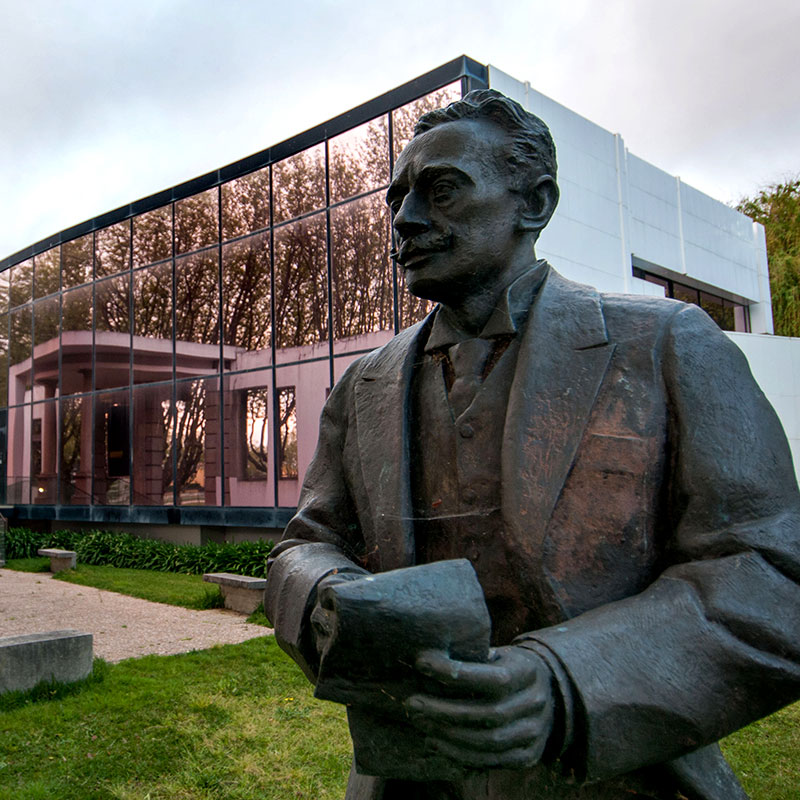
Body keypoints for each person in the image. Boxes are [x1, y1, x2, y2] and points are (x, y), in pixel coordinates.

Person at [264, 89, 800, 800]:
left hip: (620, 779)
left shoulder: (668, 346)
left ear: (534, 204)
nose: (406, 220)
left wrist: (567, 682)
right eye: (397, 200)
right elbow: (304, 543)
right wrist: (324, 597)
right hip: (409, 777)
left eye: (442, 190)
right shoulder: (364, 385)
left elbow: (768, 571)